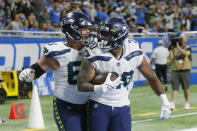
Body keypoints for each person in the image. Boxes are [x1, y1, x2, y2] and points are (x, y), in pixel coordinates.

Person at [77, 17, 171, 131]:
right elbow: (81, 85)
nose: (102, 38)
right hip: (99, 105)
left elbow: (152, 77)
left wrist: (165, 101)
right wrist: (100, 88)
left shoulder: (133, 49)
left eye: (107, 35)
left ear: (119, 37)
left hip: (123, 107)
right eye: (102, 34)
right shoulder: (94, 52)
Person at [19, 11, 92, 131]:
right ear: (71, 30)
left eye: (88, 28)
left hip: (90, 104)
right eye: (83, 29)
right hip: (67, 105)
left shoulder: (93, 48)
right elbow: (37, 70)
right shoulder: (57, 51)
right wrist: (29, 73)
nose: (87, 32)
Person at [168, 33, 192, 110]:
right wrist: (171, 48)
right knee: (174, 87)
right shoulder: (174, 48)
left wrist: (178, 47)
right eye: (180, 38)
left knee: (186, 88)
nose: (181, 39)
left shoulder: (188, 47)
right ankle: (172, 103)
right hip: (175, 69)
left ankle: (187, 102)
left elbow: (185, 53)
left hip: (185, 70)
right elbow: (170, 58)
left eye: (182, 38)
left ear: (185, 39)